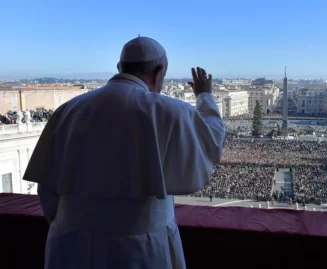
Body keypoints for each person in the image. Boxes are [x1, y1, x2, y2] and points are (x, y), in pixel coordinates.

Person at [23, 36, 225, 269]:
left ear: (120, 68)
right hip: (140, 249)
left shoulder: (68, 110)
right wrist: (205, 96)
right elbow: (213, 138)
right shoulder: (170, 111)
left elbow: (47, 187)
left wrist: (74, 224)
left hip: (70, 246)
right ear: (158, 73)